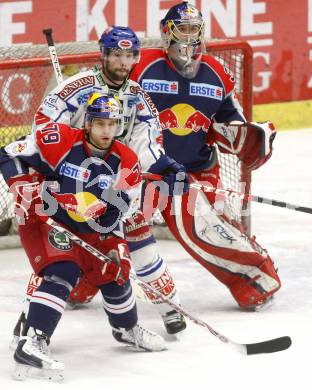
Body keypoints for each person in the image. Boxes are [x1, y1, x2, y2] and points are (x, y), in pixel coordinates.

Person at [12, 26, 188, 341]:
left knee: (133, 230)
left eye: (129, 55)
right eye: (117, 54)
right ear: (104, 54)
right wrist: (59, 165)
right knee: (59, 252)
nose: (123, 62)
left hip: (110, 183)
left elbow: (146, 139)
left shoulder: (138, 96)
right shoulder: (76, 87)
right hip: (69, 185)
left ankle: (167, 308)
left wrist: (162, 164)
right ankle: (30, 320)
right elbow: (44, 126)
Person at [0, 94, 167, 381]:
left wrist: (113, 239)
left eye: (112, 124)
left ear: (120, 126)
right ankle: (34, 341)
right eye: (99, 123)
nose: (105, 130)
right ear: (88, 122)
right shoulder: (58, 139)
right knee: (63, 270)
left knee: (116, 271)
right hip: (44, 217)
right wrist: (20, 184)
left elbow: (121, 209)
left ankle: (126, 328)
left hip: (90, 225)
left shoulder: (126, 161)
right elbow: (8, 152)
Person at [129, 1, 281, 310]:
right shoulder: (141, 66)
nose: (188, 37)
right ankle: (84, 280)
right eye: (181, 30)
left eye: (193, 30)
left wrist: (248, 137)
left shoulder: (216, 73)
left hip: (193, 171)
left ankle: (257, 276)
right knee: (106, 224)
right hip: (142, 170)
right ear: (166, 32)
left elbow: (230, 121)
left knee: (205, 231)